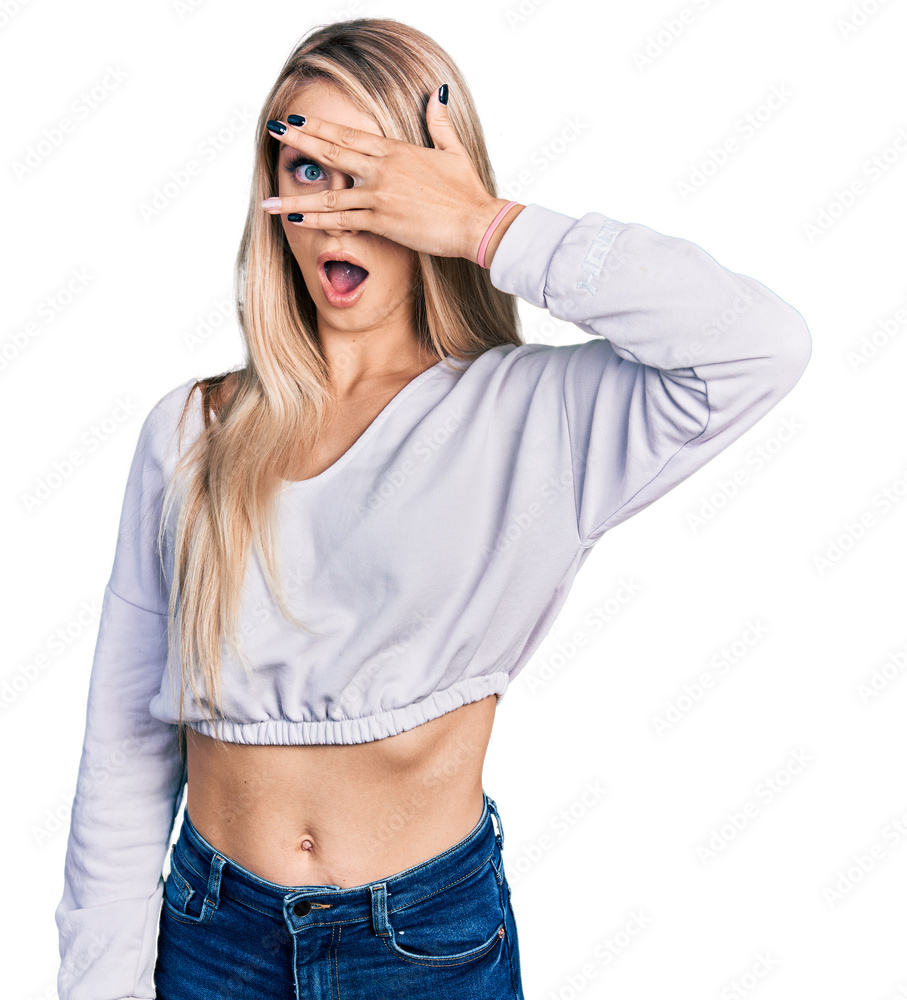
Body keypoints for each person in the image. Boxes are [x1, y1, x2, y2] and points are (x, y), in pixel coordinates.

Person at [53, 16, 812, 1000]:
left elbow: (758, 346)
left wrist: (486, 227)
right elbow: (121, 748)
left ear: (431, 183)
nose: (334, 212)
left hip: (422, 953)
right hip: (209, 940)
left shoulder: (530, 417)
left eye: (369, 170)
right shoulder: (191, 431)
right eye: (307, 170)